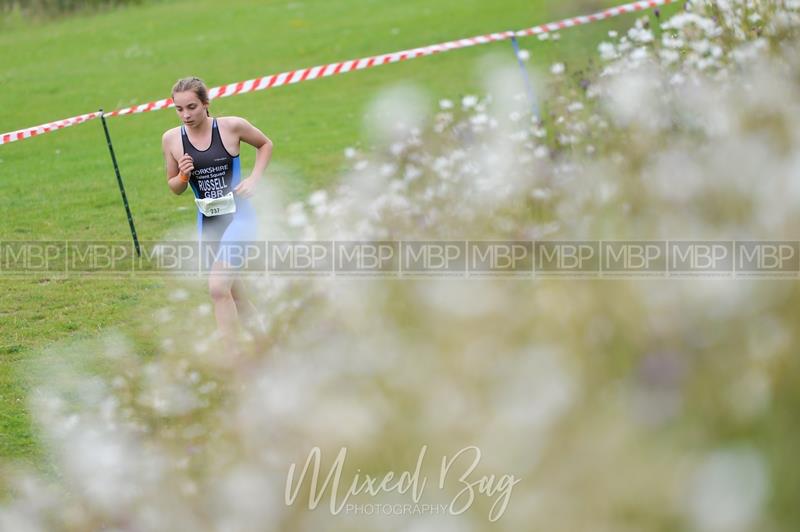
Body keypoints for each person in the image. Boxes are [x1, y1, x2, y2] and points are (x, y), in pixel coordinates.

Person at [161, 76, 273, 353]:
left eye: (191, 107)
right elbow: (174, 187)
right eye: (179, 109)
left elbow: (265, 144)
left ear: (206, 104)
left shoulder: (230, 127)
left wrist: (255, 179)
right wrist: (184, 175)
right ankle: (267, 344)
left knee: (217, 288)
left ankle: (232, 357)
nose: (185, 115)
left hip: (240, 219)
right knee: (235, 293)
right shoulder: (172, 139)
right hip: (208, 225)